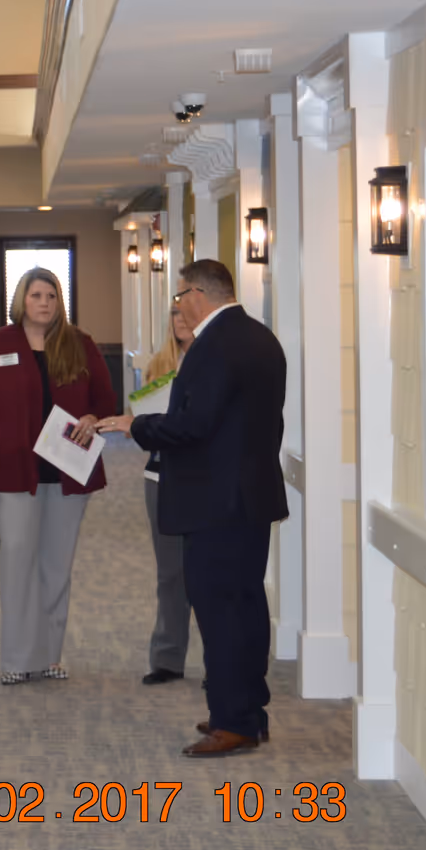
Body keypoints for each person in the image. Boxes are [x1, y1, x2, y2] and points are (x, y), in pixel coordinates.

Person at [99, 260, 287, 756]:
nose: (178, 304)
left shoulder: (213, 346)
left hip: (214, 502)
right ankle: (249, 710)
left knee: (220, 611)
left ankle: (234, 721)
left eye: (179, 295)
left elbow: (192, 426)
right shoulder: (261, 338)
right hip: (251, 496)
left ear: (198, 293)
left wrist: (134, 426)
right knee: (246, 604)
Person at [0, 267, 116, 686]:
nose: (45, 302)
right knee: (17, 565)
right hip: (14, 475)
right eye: (36, 295)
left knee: (56, 566)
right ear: (21, 300)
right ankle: (17, 657)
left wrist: (92, 417)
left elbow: (105, 403)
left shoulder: (80, 344)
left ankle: (50, 655)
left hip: (68, 472)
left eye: (51, 295)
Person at [137, 306, 196, 686]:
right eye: (173, 314)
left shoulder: (214, 362)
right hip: (160, 476)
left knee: (206, 573)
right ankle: (167, 658)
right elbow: (142, 417)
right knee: (170, 573)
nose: (180, 319)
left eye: (186, 313)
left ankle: (219, 663)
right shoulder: (158, 364)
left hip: (202, 479)